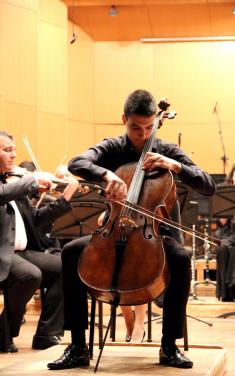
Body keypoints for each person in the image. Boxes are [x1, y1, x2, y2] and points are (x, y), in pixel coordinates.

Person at [47, 89, 215, 370]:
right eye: (136, 128)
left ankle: (168, 346)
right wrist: (106, 174)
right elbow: (78, 163)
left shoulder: (166, 150)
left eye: (150, 127)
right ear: (124, 119)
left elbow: (208, 184)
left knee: (181, 258)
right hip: (113, 230)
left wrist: (175, 166)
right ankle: (77, 345)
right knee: (70, 252)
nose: (143, 134)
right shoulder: (112, 147)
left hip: (157, 236)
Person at [0, 130, 80, 352]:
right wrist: (31, 180)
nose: (14, 155)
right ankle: (4, 331)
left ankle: (47, 334)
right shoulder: (10, 186)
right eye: (7, 150)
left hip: (19, 253)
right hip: (2, 253)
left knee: (65, 267)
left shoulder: (13, 183)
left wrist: (65, 199)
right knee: (30, 275)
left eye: (14, 150)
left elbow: (35, 220)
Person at [216, 164, 235, 301]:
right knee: (222, 247)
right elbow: (222, 222)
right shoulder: (225, 189)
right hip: (228, 231)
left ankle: (232, 284)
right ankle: (225, 293)